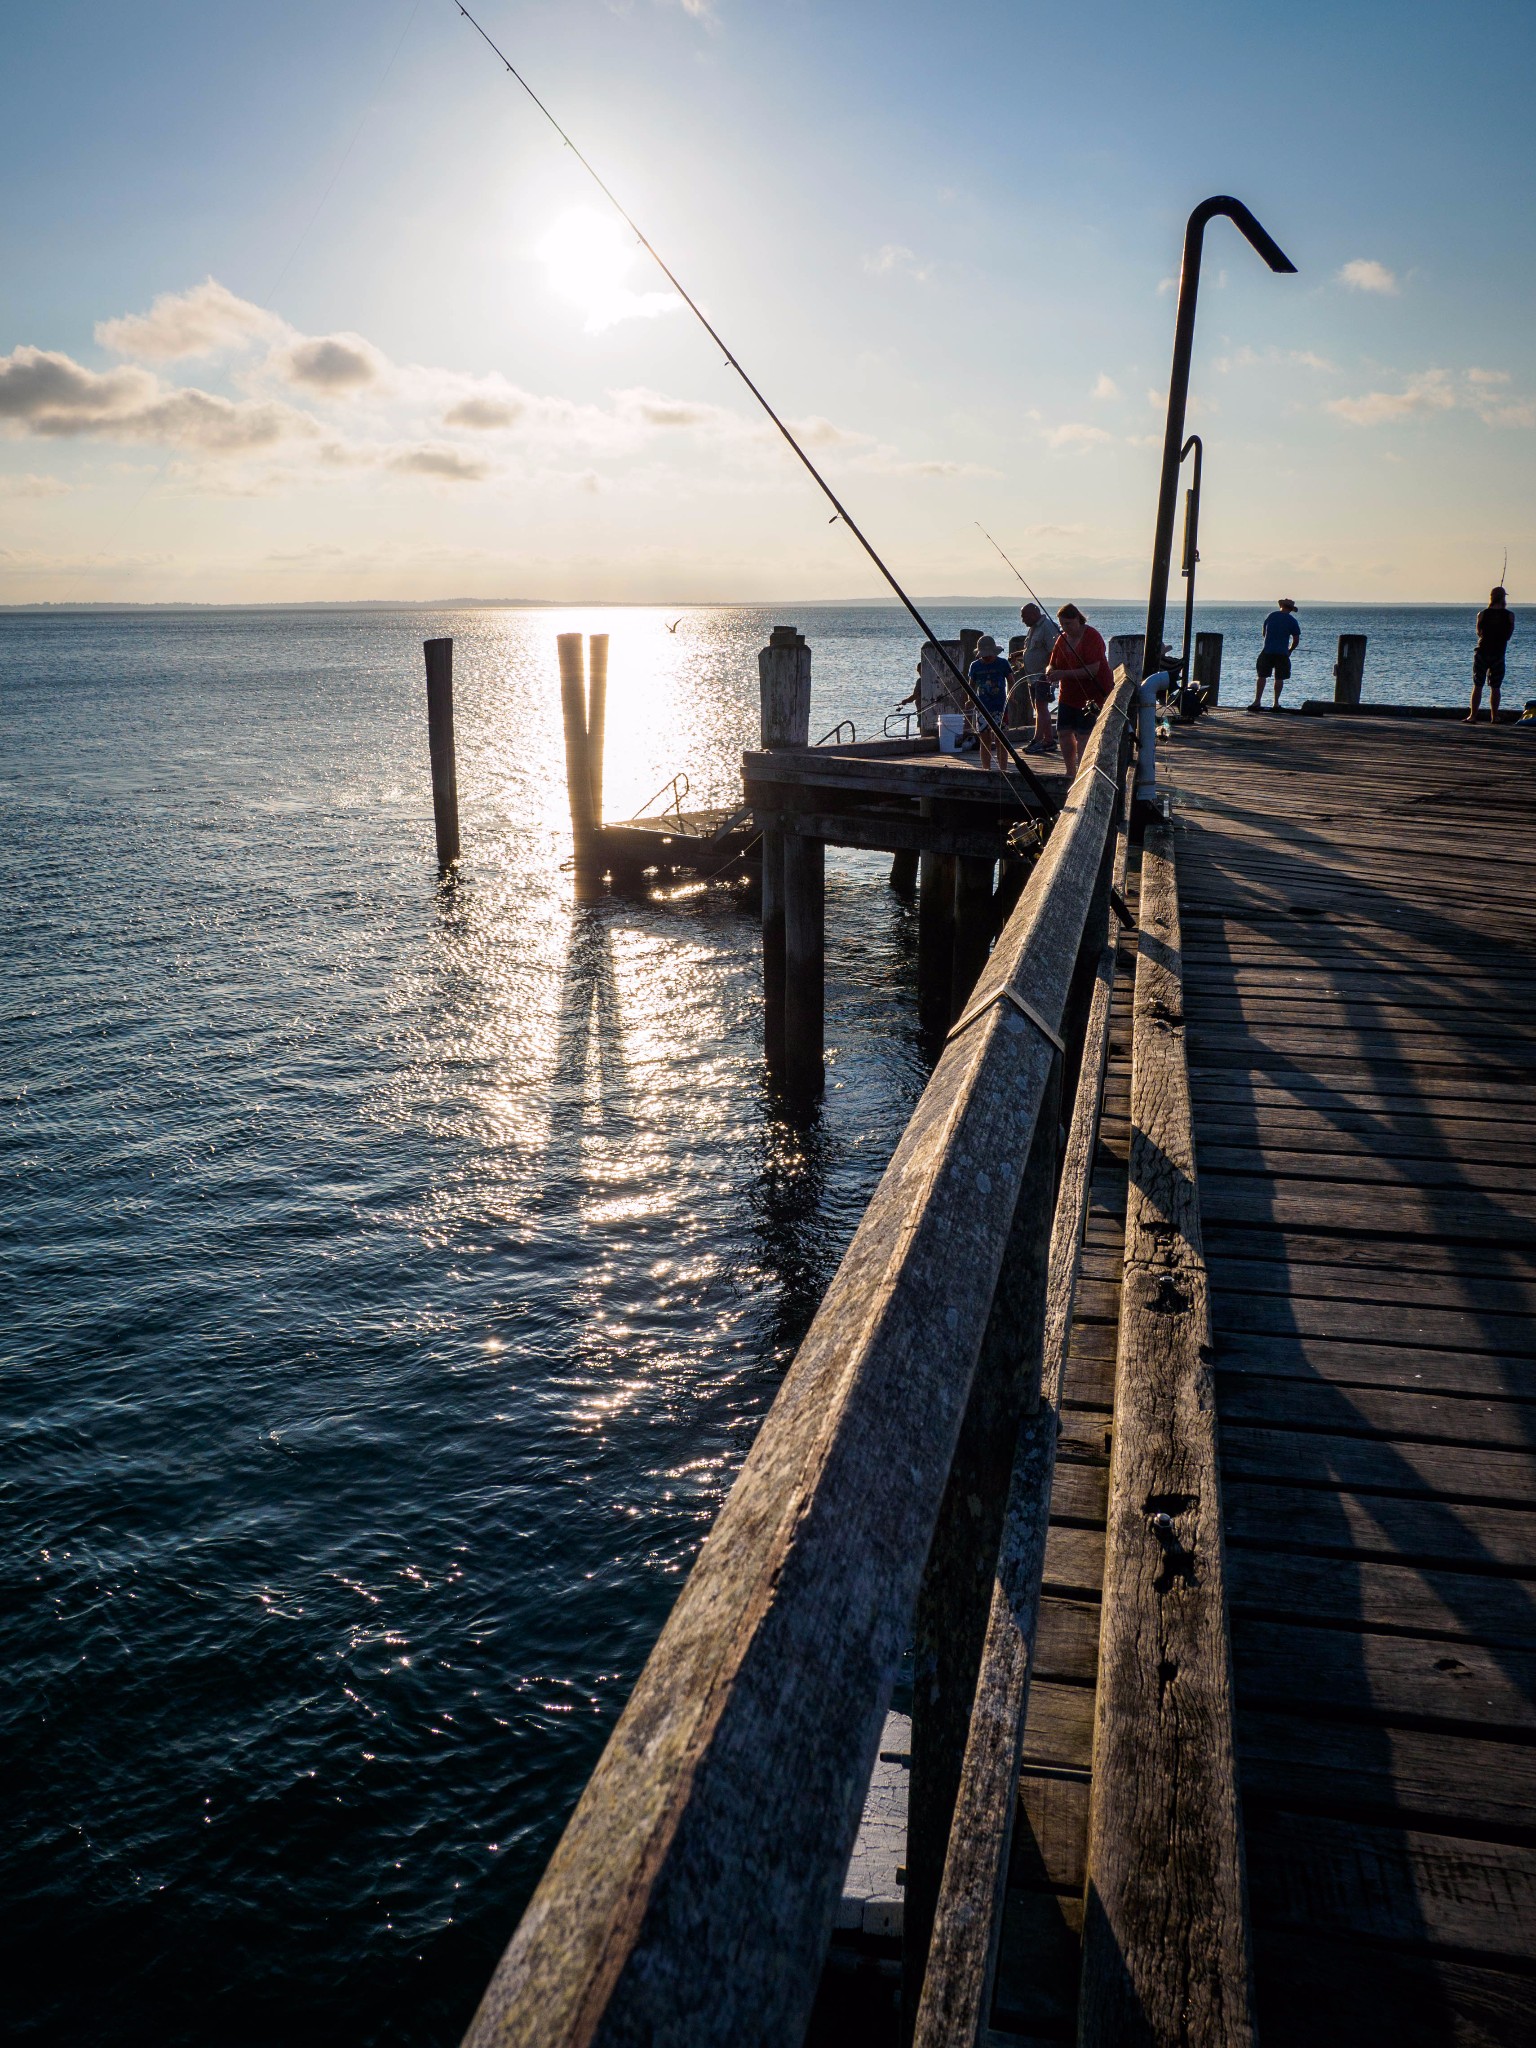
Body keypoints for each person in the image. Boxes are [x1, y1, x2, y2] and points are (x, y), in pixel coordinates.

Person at [1046, 603, 1114, 779]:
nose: (1065, 628)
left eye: (1068, 624)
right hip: (1068, 694)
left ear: (1077, 619)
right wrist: (1050, 671)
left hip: (1091, 695)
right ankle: (1070, 771)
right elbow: (1052, 662)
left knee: (1084, 735)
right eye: (1062, 625)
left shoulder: (1092, 637)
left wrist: (1063, 674)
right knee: (1063, 732)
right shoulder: (1062, 639)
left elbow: (1092, 670)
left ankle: (1084, 774)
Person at [1013, 601, 1059, 754]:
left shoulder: (1046, 626)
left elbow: (1054, 650)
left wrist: (1049, 672)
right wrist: (1018, 655)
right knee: (1038, 707)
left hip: (1042, 675)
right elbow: (1032, 649)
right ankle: (1049, 740)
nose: (1022, 620)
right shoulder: (1033, 628)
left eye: (1024, 616)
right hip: (1031, 677)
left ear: (1033, 614)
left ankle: (1038, 740)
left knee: (1041, 706)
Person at [1468, 586, 1516, 723]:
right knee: (1495, 687)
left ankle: (1473, 716)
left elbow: (1478, 632)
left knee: (1478, 685)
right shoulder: (1510, 616)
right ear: (1503, 598)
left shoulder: (1482, 614)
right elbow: (1508, 636)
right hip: (1498, 654)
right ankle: (1494, 717)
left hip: (1482, 652)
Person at [966, 634, 1012, 767]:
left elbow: (1010, 679)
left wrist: (1011, 696)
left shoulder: (1002, 663)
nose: (986, 657)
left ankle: (1003, 768)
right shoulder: (975, 666)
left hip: (1000, 707)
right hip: (982, 707)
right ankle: (986, 768)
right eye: (983, 655)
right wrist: (970, 699)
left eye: (989, 655)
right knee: (984, 739)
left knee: (1001, 740)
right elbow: (971, 685)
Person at [1250, 598, 1300, 710]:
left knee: (1261, 676)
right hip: (1282, 653)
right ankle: (1276, 703)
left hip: (1267, 651)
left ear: (1281, 606)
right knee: (1279, 678)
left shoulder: (1271, 616)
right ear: (1291, 609)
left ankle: (1257, 701)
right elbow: (1296, 640)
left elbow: (1264, 633)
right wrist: (1290, 650)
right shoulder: (1292, 620)